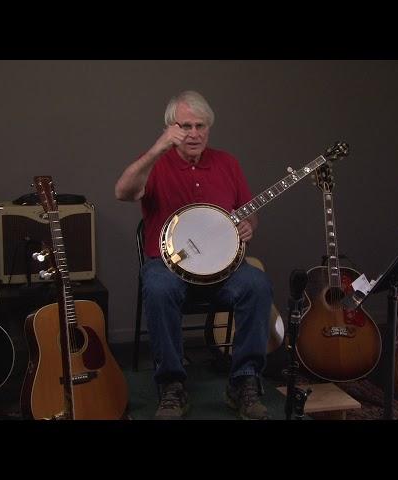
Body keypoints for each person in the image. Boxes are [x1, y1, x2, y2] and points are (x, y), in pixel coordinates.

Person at [115, 90, 273, 420]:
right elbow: (123, 192)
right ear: (170, 128)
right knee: (157, 287)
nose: (194, 133)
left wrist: (247, 225)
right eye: (185, 126)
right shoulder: (155, 163)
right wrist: (158, 148)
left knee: (257, 283)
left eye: (201, 125)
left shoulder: (227, 163)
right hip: (168, 268)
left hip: (223, 270)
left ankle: (243, 382)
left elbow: (249, 212)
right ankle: (172, 386)